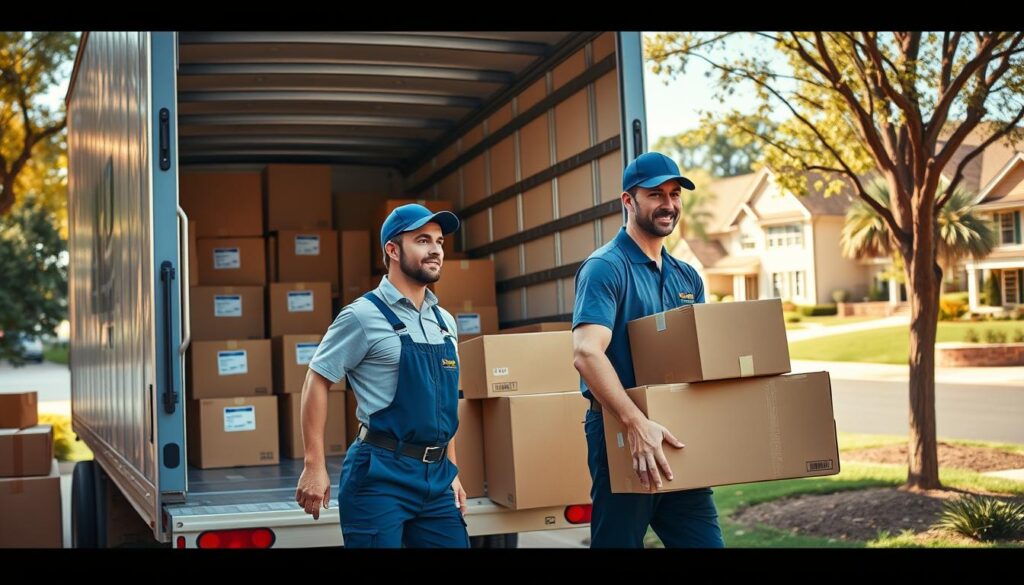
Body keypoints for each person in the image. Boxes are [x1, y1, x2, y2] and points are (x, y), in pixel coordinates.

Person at [571, 152, 725, 548]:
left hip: (677, 433)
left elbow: (700, 358)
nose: (669, 205)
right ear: (628, 201)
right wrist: (635, 423)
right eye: (656, 194)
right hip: (621, 434)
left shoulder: (686, 275)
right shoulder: (606, 267)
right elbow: (587, 353)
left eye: (674, 194)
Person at [295, 203, 469, 548]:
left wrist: (453, 471)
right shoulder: (361, 315)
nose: (435, 249)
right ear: (392, 249)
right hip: (379, 475)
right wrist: (314, 463)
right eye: (422, 240)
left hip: (436, 479)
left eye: (439, 241)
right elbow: (317, 379)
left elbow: (443, 404)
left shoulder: (445, 322)